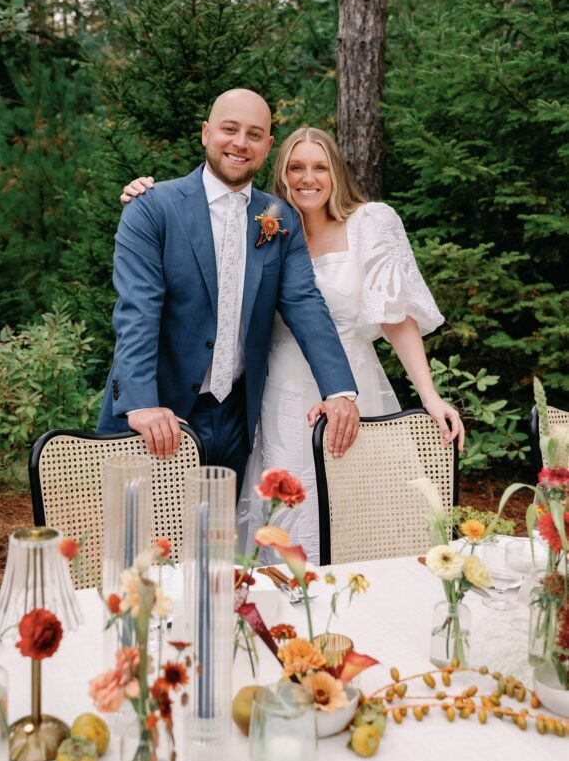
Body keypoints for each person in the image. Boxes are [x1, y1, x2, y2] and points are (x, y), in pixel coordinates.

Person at [121, 125, 465, 561]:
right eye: (296, 167)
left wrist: (429, 395)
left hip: (347, 384)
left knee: (358, 515)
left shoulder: (370, 222)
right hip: (276, 396)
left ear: (336, 172)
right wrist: (144, 196)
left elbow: (396, 318)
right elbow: (194, 243)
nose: (308, 178)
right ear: (280, 174)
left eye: (320, 167)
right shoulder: (262, 223)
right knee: (283, 513)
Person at [98, 91, 360, 497]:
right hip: (158, 415)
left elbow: (305, 302)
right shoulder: (152, 208)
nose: (240, 143)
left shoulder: (278, 217)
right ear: (206, 133)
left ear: (268, 146)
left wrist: (339, 391)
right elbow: (138, 311)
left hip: (236, 417)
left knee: (215, 543)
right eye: (230, 129)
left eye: (254, 134)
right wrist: (142, 404)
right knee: (139, 548)